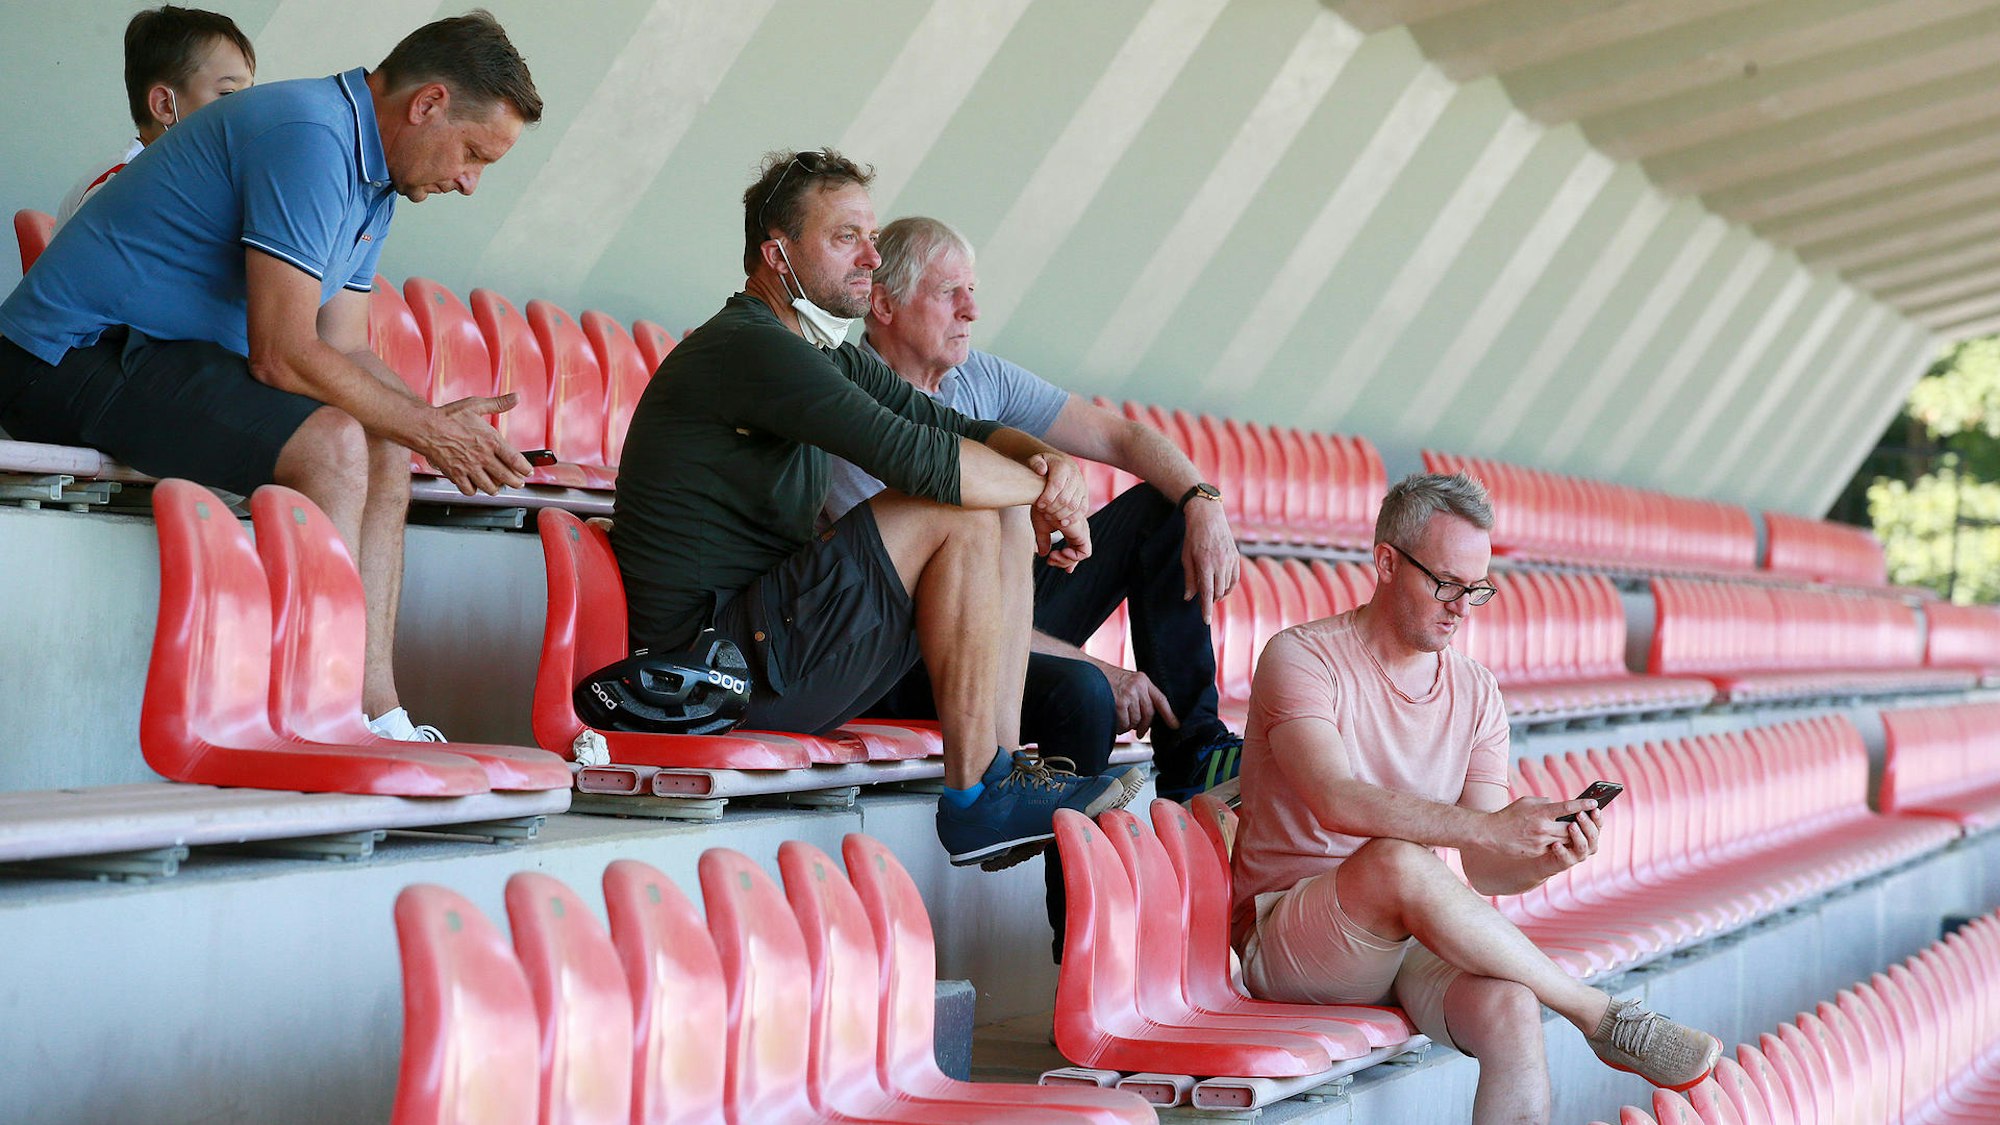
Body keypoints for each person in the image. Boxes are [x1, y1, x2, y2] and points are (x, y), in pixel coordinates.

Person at [0, 10, 543, 742]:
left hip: (154, 356)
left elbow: (342, 344)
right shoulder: (311, 135)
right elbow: (281, 353)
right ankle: (313, 718)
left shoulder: (375, 176)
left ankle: (375, 712)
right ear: (430, 105)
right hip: (61, 357)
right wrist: (422, 426)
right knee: (336, 444)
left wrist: (430, 425)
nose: (470, 182)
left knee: (383, 440)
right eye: (474, 153)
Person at [612, 149, 1141, 868]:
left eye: (871, 235)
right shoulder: (750, 347)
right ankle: (973, 798)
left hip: (778, 647)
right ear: (778, 254)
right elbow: (920, 460)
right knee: (957, 503)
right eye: (844, 238)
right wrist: (1044, 488)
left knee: (999, 504)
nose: (870, 255)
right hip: (713, 671)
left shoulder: (824, 351)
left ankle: (999, 775)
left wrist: (1049, 470)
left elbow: (961, 430)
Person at [1230, 472, 1721, 1124]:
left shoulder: (1478, 691)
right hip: (1294, 939)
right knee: (1398, 861)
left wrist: (1545, 855)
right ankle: (1597, 1013)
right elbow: (1334, 799)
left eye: (1478, 588)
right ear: (1384, 562)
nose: (1462, 604)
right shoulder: (1301, 657)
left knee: (1512, 1008)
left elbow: (1488, 865)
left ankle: (1584, 1014)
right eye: (1447, 582)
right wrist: (1489, 829)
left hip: (1403, 940)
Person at [823, 217, 1246, 802]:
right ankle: (1069, 888)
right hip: (916, 645)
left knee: (1164, 509)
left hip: (1002, 599)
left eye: (972, 291)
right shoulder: (846, 407)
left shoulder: (978, 375)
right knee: (1084, 693)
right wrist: (1100, 668)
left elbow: (1122, 437)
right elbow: (930, 605)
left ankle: (1194, 751)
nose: (971, 310)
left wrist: (1204, 501)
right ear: (885, 305)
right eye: (950, 294)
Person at [56, 6, 257, 228]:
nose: (247, 107)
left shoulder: (175, 183)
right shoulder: (128, 189)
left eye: (249, 92)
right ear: (165, 106)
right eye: (228, 94)